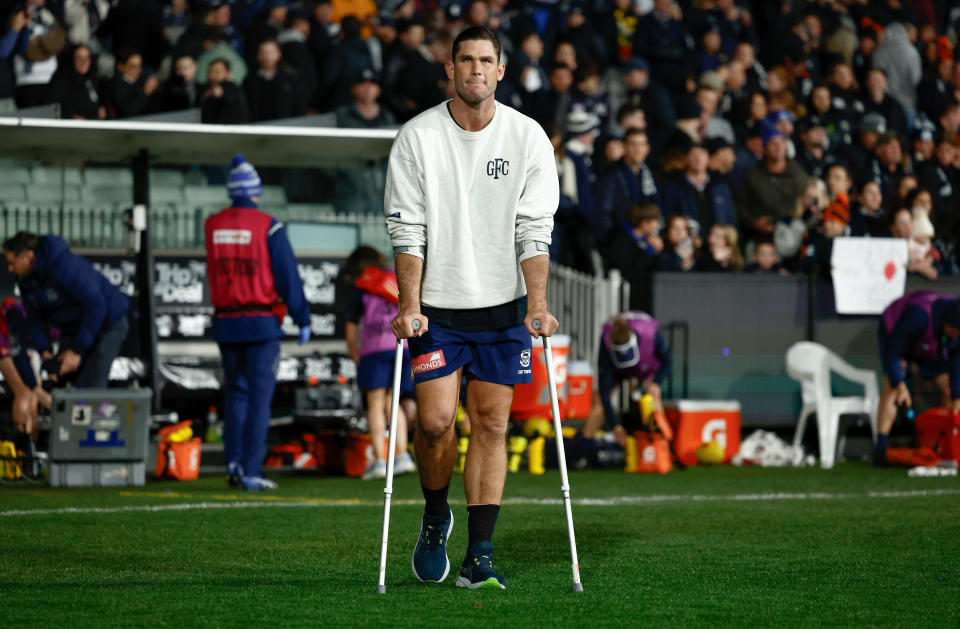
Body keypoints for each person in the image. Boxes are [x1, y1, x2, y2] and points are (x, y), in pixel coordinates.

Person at [384, 26, 558, 590]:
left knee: (491, 423)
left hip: (504, 308)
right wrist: (408, 302)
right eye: (466, 60)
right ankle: (437, 516)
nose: (477, 69)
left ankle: (479, 554)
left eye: (487, 60)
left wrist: (539, 303)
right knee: (434, 425)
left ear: (502, 70)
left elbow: (534, 228)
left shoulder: (528, 137)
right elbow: (406, 226)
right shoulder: (417, 137)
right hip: (437, 309)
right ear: (451, 70)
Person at [204, 154, 311, 491]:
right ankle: (251, 470)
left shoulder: (212, 225)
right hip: (262, 323)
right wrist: (302, 317)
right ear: (255, 191)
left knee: (235, 395)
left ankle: (234, 464)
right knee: (259, 398)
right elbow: (287, 277)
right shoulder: (269, 226)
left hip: (226, 322)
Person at [3, 232, 129, 389]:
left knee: (92, 384)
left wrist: (76, 351)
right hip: (75, 327)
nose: (10, 269)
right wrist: (46, 353)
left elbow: (96, 305)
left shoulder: (64, 265)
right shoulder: (25, 280)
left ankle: (96, 411)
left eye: (12, 263)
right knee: (63, 380)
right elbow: (35, 319)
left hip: (107, 323)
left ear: (28, 257)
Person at [341, 246, 416, 480]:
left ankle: (380, 461)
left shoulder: (360, 287)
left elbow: (352, 326)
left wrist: (354, 351)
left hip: (373, 350)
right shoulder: (396, 279)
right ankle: (402, 456)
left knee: (374, 404)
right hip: (400, 345)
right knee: (393, 402)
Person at [875, 292, 960, 466]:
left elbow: (956, 360)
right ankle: (880, 449)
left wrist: (957, 395)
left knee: (952, 392)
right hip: (897, 335)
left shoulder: (954, 329)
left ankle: (946, 448)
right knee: (892, 388)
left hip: (930, 343)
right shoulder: (919, 315)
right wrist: (899, 383)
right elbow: (893, 351)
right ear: (948, 324)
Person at [580, 312, 672, 456]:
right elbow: (605, 395)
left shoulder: (650, 334)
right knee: (599, 402)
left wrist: (656, 383)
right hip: (616, 371)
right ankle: (584, 450)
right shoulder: (606, 343)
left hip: (646, 367)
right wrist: (616, 426)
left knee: (653, 396)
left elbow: (667, 361)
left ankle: (662, 449)